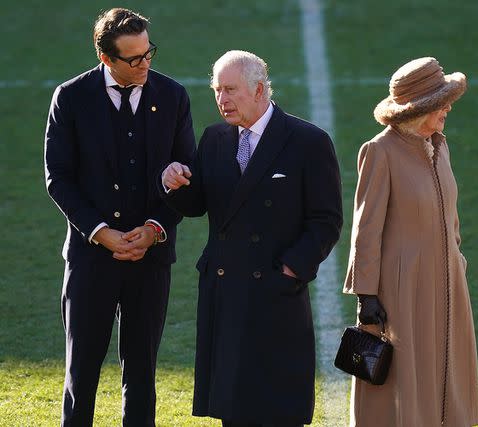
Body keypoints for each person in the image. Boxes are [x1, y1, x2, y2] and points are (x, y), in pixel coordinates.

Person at [159, 50, 342, 427]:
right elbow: (200, 204)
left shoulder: (307, 141)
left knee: (277, 405)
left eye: (230, 90)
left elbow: (326, 220)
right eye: (217, 90)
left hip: (276, 291)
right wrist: (174, 183)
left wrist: (293, 268)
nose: (221, 99)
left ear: (259, 90)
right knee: (234, 407)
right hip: (225, 291)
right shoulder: (214, 139)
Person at [44, 8, 195, 426]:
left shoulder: (173, 96)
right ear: (106, 58)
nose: (146, 63)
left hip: (151, 258)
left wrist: (154, 230)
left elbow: (186, 173)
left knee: (143, 374)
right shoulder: (71, 98)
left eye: (149, 53)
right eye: (135, 58)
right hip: (91, 257)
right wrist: (100, 232)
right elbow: (59, 179)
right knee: (82, 373)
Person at [343, 57, 478, 426]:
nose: (448, 107)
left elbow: (451, 219)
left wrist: (458, 262)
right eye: (441, 101)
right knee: (403, 380)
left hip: (448, 283)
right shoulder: (380, 151)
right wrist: (366, 294)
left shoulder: (440, 146)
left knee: (448, 371)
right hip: (402, 291)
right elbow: (365, 229)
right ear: (419, 108)